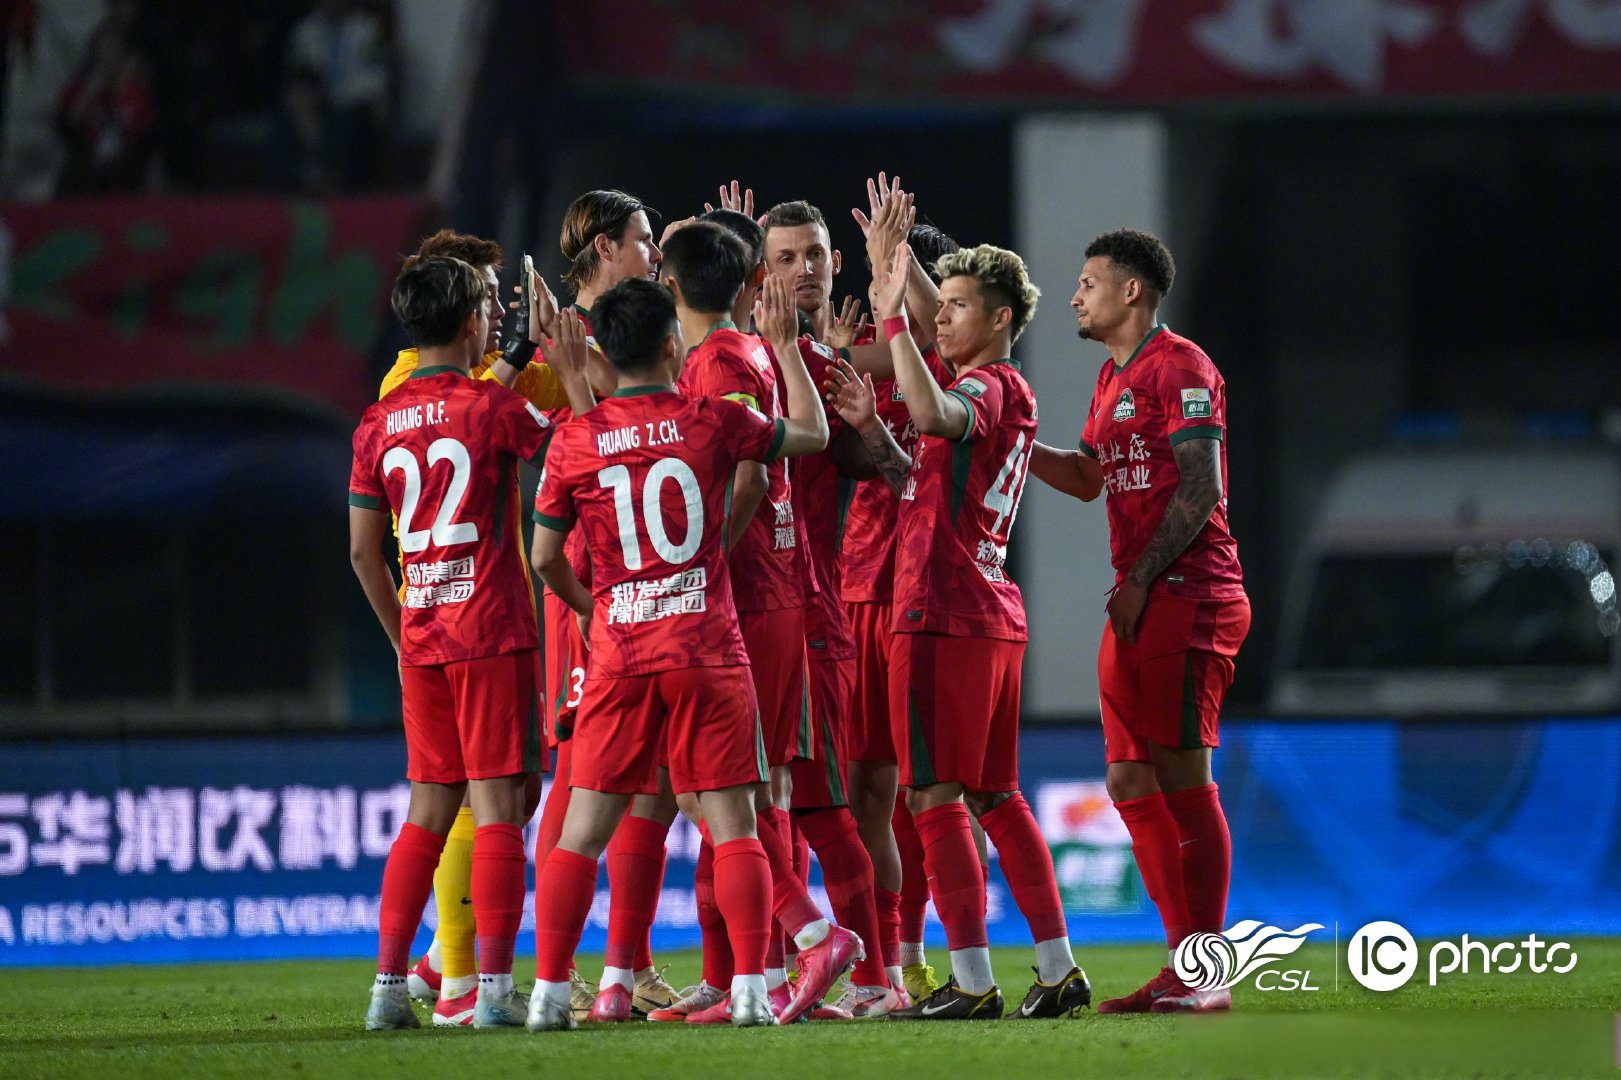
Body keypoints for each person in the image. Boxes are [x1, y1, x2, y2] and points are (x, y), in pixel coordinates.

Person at [524, 271, 839, 1030]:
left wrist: (591, 610)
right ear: (672, 344)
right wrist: (785, 348)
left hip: (622, 652)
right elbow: (813, 434)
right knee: (733, 825)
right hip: (706, 646)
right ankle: (752, 991)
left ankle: (547, 996)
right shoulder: (716, 419)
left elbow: (544, 558)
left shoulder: (575, 439)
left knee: (582, 834)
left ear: (607, 352)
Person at [835, 228, 1089, 1020]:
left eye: (956, 308)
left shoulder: (985, 389)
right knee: (996, 796)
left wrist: (893, 316)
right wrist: (900, 266)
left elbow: (933, 410)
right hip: (986, 608)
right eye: (936, 306)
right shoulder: (1007, 388)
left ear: (1000, 317)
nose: (940, 319)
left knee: (931, 797)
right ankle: (1057, 969)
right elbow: (918, 471)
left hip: (940, 610)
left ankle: (971, 982)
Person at [1028, 229, 1248, 1013]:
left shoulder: (1180, 366)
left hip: (1188, 592)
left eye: (1087, 283)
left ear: (1130, 291)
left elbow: (1201, 486)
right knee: (1127, 779)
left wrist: (1143, 579)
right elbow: (1088, 477)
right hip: (1141, 595)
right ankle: (1183, 962)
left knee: (1184, 780)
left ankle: (1207, 971)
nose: (1074, 297)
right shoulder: (1109, 377)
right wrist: (1013, 443)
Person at [379, 229, 582, 1027]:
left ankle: (420, 971)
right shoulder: (429, 380)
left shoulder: (391, 411)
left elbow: (362, 548)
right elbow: (556, 429)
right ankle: (474, 984)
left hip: (429, 624)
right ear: (459, 312)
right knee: (484, 805)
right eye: (488, 298)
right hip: (482, 622)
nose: (500, 313)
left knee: (478, 799)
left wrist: (560, 347)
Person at [707, 202, 898, 1017]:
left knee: (798, 803)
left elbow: (883, 462)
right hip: (759, 609)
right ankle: (755, 978)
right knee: (756, 800)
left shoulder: (816, 364)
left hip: (803, 613)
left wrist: (896, 286)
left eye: (814, 254)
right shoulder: (755, 357)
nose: (804, 270)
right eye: (783, 258)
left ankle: (862, 974)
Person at [528, 190, 682, 1021]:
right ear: (603, 248)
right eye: (643, 240)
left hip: (652, 583)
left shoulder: (627, 332)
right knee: (582, 766)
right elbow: (564, 450)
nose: (652, 254)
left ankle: (631, 964)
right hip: (589, 584)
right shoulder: (565, 345)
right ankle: (556, 968)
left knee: (652, 774)